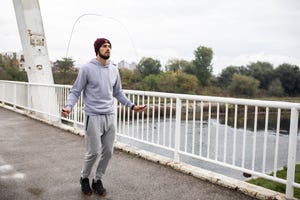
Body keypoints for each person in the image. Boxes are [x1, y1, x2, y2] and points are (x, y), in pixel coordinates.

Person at [61, 37, 146, 196]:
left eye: (109, 46)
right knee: (93, 151)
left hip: (110, 116)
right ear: (97, 49)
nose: (107, 49)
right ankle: (84, 177)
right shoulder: (86, 68)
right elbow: (75, 91)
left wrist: (132, 106)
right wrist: (68, 107)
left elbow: (118, 93)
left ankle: (97, 180)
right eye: (104, 46)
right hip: (93, 116)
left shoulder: (114, 69)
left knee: (108, 152)